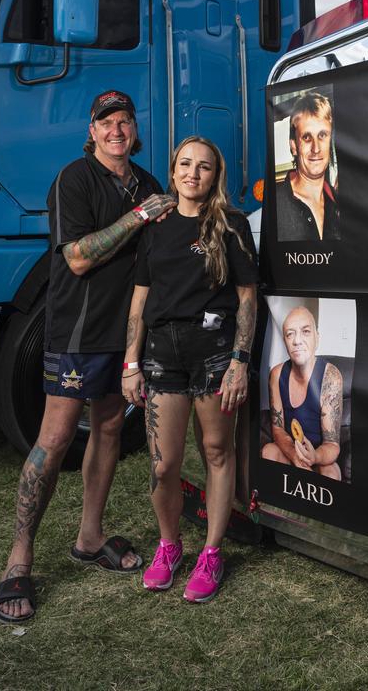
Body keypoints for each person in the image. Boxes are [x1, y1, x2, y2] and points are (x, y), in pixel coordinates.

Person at [0, 90, 176, 625]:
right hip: (77, 332)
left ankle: (89, 536)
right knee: (53, 439)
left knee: (112, 430)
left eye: (124, 120)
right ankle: (18, 559)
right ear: (92, 131)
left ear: (134, 129)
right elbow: (75, 259)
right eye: (106, 122)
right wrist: (141, 217)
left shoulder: (147, 182)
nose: (117, 129)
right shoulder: (73, 179)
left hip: (127, 333)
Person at [122, 135, 258, 602]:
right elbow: (140, 299)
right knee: (163, 467)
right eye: (184, 164)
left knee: (217, 451)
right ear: (174, 169)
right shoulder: (155, 226)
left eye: (203, 166)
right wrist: (131, 363)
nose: (192, 174)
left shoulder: (231, 224)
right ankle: (170, 546)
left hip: (216, 353)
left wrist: (240, 362)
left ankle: (212, 553)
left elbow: (247, 299)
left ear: (214, 175)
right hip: (162, 354)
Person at [262, 306, 343, 480]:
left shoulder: (331, 376)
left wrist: (314, 457)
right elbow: (277, 428)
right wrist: (296, 457)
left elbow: (332, 444)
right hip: (290, 449)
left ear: (317, 337)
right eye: (290, 334)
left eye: (305, 331)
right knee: (269, 451)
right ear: (284, 341)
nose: (297, 340)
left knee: (331, 472)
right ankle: (275, 503)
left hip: (319, 454)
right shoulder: (276, 375)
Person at [276, 92, 340, 241]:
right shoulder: (277, 205)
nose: (316, 148)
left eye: (322, 135)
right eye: (306, 137)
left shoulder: (338, 203)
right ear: (294, 146)